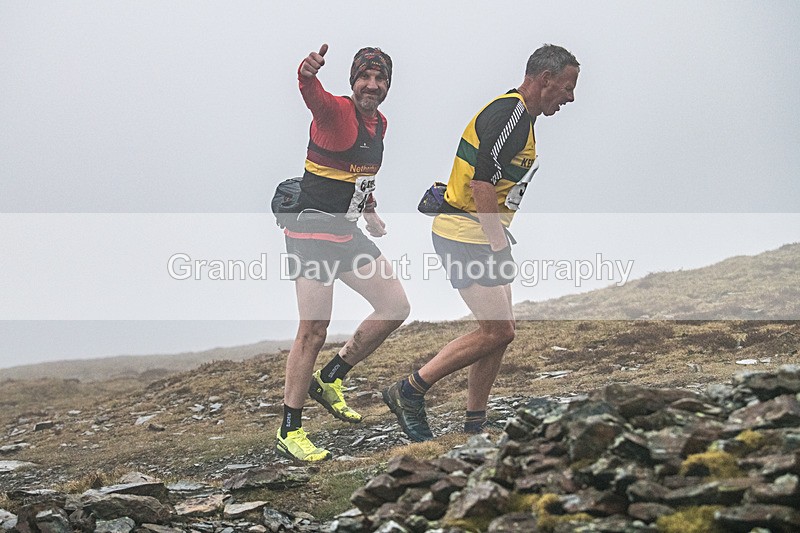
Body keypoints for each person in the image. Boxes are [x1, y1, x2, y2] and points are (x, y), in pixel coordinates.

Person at [383, 44, 579, 441]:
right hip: (466, 235)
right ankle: (409, 390)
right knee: (498, 330)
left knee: (500, 333)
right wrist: (497, 243)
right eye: (567, 86)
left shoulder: (522, 118)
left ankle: (475, 424)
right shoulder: (511, 113)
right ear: (545, 80)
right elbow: (481, 181)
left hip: (482, 234)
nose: (571, 97)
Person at [277, 44, 410, 461]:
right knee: (313, 330)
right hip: (312, 235)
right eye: (364, 78)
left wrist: (370, 213)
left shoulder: (380, 124)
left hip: (347, 234)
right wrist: (307, 71)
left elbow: (360, 176)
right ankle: (289, 430)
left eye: (380, 79)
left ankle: (331, 377)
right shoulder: (335, 111)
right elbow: (309, 91)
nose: (372, 85)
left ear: (388, 84)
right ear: (352, 81)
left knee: (394, 306)